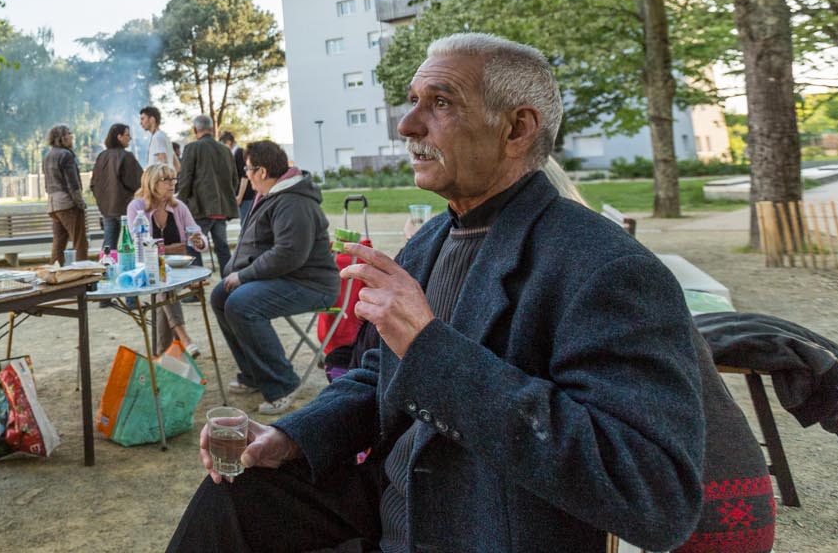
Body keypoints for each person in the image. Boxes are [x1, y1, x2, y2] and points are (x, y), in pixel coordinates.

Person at [168, 33, 705, 553]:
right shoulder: (431, 240)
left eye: (441, 103)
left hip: (479, 529)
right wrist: (290, 437)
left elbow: (655, 496)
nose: (406, 125)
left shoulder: (606, 268)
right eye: (412, 102)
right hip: (389, 506)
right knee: (233, 498)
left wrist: (431, 350)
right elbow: (375, 374)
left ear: (516, 128)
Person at [210, 139, 339, 416]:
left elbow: (289, 254)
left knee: (241, 304)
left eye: (247, 169)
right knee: (221, 295)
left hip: (311, 284)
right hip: (289, 278)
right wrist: (234, 272)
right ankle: (254, 374)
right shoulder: (272, 196)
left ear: (263, 171)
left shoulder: (293, 201)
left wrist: (243, 276)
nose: (246, 175)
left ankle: (282, 384)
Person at [127, 163, 209, 354]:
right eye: (167, 180)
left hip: (179, 268)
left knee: (163, 290)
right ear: (152, 182)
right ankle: (183, 338)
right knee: (163, 284)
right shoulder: (137, 207)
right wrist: (164, 252)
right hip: (148, 268)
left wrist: (199, 242)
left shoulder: (178, 206)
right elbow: (137, 243)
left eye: (174, 178)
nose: (173, 183)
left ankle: (163, 355)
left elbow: (198, 234)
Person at [177, 115, 239, 275]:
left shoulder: (192, 148)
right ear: (211, 129)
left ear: (195, 129)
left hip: (200, 208)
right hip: (221, 209)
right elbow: (234, 181)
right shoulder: (226, 150)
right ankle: (228, 285)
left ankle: (195, 287)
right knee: (223, 248)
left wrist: (180, 204)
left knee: (193, 246)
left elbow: (185, 180)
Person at [90, 122, 143, 266]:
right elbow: (138, 182)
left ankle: (104, 273)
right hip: (126, 209)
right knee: (132, 243)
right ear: (119, 137)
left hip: (107, 209)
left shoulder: (102, 156)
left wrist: (102, 202)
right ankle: (133, 271)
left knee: (108, 245)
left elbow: (93, 183)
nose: (130, 138)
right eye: (127, 135)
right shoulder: (126, 157)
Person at [42, 123, 88, 265]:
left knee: (59, 243)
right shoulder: (66, 155)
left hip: (53, 205)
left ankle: (54, 273)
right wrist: (80, 203)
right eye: (68, 133)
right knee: (80, 241)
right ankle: (83, 273)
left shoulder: (47, 156)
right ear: (61, 137)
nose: (71, 136)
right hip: (68, 204)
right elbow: (72, 184)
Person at [222, 131, 257, 225]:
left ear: (229, 142)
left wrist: (240, 196)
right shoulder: (235, 154)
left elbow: (244, 176)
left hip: (246, 196)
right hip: (243, 196)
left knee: (245, 223)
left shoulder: (239, 153)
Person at [140, 104, 175, 170]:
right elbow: (177, 166)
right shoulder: (165, 137)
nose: (140, 122)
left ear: (152, 119)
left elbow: (163, 163)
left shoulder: (157, 137)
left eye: (142, 119)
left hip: (160, 180)